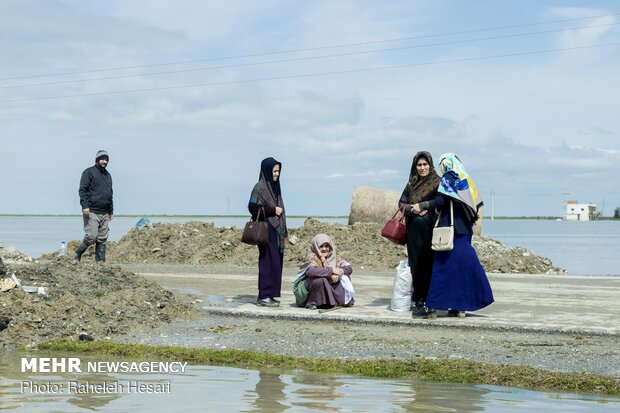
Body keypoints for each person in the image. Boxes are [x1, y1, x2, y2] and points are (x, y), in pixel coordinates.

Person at [412, 153, 494, 318]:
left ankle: (433, 306)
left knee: (442, 268)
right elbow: (475, 206)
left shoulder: (449, 178)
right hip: (465, 230)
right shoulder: (467, 181)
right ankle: (460, 306)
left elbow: (441, 201)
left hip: (449, 229)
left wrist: (423, 205)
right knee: (461, 269)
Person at [398, 151, 440, 317]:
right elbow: (401, 204)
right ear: (415, 167)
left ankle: (432, 300)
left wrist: (423, 206)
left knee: (430, 264)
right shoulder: (411, 184)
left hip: (432, 230)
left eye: (425, 164)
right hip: (414, 232)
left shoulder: (438, 182)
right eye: (419, 165)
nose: (422, 168)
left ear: (430, 165)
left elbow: (441, 201)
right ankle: (419, 299)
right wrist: (413, 209)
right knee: (416, 265)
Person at [248, 157, 288, 307]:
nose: (277, 174)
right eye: (274, 171)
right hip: (265, 231)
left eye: (278, 171)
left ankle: (270, 295)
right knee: (266, 263)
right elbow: (252, 207)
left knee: (275, 264)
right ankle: (263, 296)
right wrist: (272, 210)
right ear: (267, 171)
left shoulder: (275, 188)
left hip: (275, 233)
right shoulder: (260, 187)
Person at [74, 150, 113, 262]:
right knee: (92, 236)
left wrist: (111, 210)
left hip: (105, 211)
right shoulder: (88, 172)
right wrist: (85, 206)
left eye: (106, 160)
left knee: (102, 238)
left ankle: (100, 262)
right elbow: (83, 190)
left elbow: (110, 193)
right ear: (97, 160)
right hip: (92, 210)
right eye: (102, 159)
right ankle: (78, 253)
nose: (105, 161)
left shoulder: (108, 175)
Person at [296, 234, 354, 310]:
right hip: (309, 288)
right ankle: (312, 302)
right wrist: (332, 271)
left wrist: (339, 273)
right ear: (316, 247)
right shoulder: (312, 257)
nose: (324, 249)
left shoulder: (334, 258)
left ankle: (336, 301)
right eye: (321, 246)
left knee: (344, 277)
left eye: (327, 246)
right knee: (320, 279)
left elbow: (349, 268)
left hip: (327, 284)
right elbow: (311, 271)